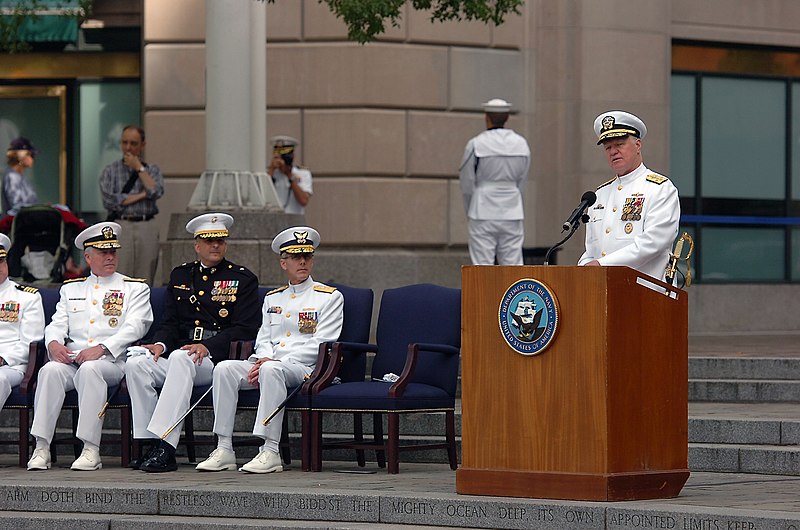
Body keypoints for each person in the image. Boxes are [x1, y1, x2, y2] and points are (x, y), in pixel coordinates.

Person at [195, 226, 343, 473]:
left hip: (305, 368)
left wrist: (272, 362)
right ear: (283, 263)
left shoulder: (328, 297)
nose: (303, 262)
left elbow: (323, 343)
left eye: (307, 257)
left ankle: (270, 449)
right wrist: (260, 358)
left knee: (271, 370)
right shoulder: (273, 298)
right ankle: (224, 448)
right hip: (270, 363)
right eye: (296, 258)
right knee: (225, 369)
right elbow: (263, 337)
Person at [126, 212, 261, 473]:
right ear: (197, 245)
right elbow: (169, 323)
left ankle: (166, 447)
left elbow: (245, 328)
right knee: (137, 364)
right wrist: (159, 345)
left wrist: (208, 346)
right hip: (182, 360)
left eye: (220, 241)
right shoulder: (180, 276)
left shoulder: (242, 279)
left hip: (215, 362)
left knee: (180, 357)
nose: (215, 246)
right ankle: (147, 443)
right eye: (209, 241)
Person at [27, 222, 152, 471]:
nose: (109, 257)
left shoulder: (134, 287)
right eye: (103, 252)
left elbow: (137, 326)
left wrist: (103, 348)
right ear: (87, 256)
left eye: (113, 251)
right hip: (73, 359)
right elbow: (56, 324)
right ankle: (41, 447)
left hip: (112, 363)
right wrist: (53, 343)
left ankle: (90, 448)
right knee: (49, 371)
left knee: (91, 369)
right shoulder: (71, 288)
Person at [578, 110, 680, 280]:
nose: (613, 152)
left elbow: (652, 243)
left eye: (619, 144)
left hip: (645, 292)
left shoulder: (660, 189)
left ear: (638, 145)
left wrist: (602, 265)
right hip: (603, 291)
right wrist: (581, 268)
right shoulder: (599, 195)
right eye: (608, 147)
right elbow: (592, 250)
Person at [459, 98, 531, 266]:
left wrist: (470, 208)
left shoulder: (476, 144)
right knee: (513, 265)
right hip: (512, 209)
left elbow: (467, 182)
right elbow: (522, 180)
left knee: (482, 266)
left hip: (482, 208)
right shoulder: (521, 144)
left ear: (487, 117)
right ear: (506, 118)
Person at [99, 125, 165, 285]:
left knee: (146, 276)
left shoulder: (151, 170)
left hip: (146, 224)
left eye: (133, 143)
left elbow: (156, 191)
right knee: (121, 273)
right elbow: (110, 201)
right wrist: (144, 194)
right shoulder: (110, 171)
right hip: (122, 225)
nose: (128, 147)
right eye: (125, 142)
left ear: (142, 145)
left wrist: (139, 169)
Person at [0, 233, 45, 412]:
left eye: (1, 261)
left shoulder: (27, 297)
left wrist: (3, 359)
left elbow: (30, 342)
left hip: (11, 365)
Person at [268, 136, 312, 214]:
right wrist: (271, 170)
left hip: (294, 221)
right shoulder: (270, 174)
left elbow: (304, 200)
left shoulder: (302, 173)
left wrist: (289, 176)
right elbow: (262, 197)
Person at [2, 137, 40, 217]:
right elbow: (16, 206)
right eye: (31, 155)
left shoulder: (21, 177)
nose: (32, 159)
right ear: (21, 156)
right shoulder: (12, 177)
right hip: (19, 226)